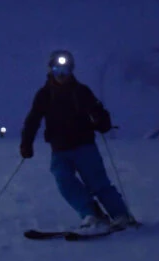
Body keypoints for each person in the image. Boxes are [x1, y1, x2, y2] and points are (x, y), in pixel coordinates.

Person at [19, 49, 135, 230]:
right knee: (65, 182)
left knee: (97, 182)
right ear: (50, 70)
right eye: (57, 70)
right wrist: (26, 143)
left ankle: (120, 215)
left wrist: (101, 122)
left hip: (84, 146)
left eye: (65, 70)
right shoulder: (44, 95)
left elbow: (100, 114)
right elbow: (33, 119)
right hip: (59, 149)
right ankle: (91, 213)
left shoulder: (81, 91)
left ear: (71, 70)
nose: (61, 74)